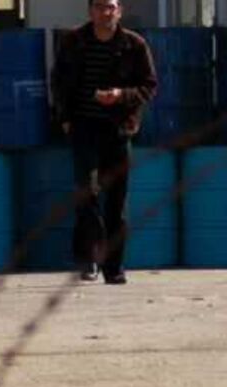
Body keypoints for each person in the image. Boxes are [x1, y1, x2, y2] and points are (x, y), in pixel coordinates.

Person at [54, 0, 157, 286]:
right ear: (91, 11)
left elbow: (149, 86)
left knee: (117, 201)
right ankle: (89, 260)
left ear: (119, 11)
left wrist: (120, 96)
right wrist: (64, 118)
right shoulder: (73, 42)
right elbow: (58, 82)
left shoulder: (134, 45)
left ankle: (114, 267)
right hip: (83, 128)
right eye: (100, 7)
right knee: (87, 194)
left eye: (111, 7)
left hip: (118, 130)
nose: (106, 12)